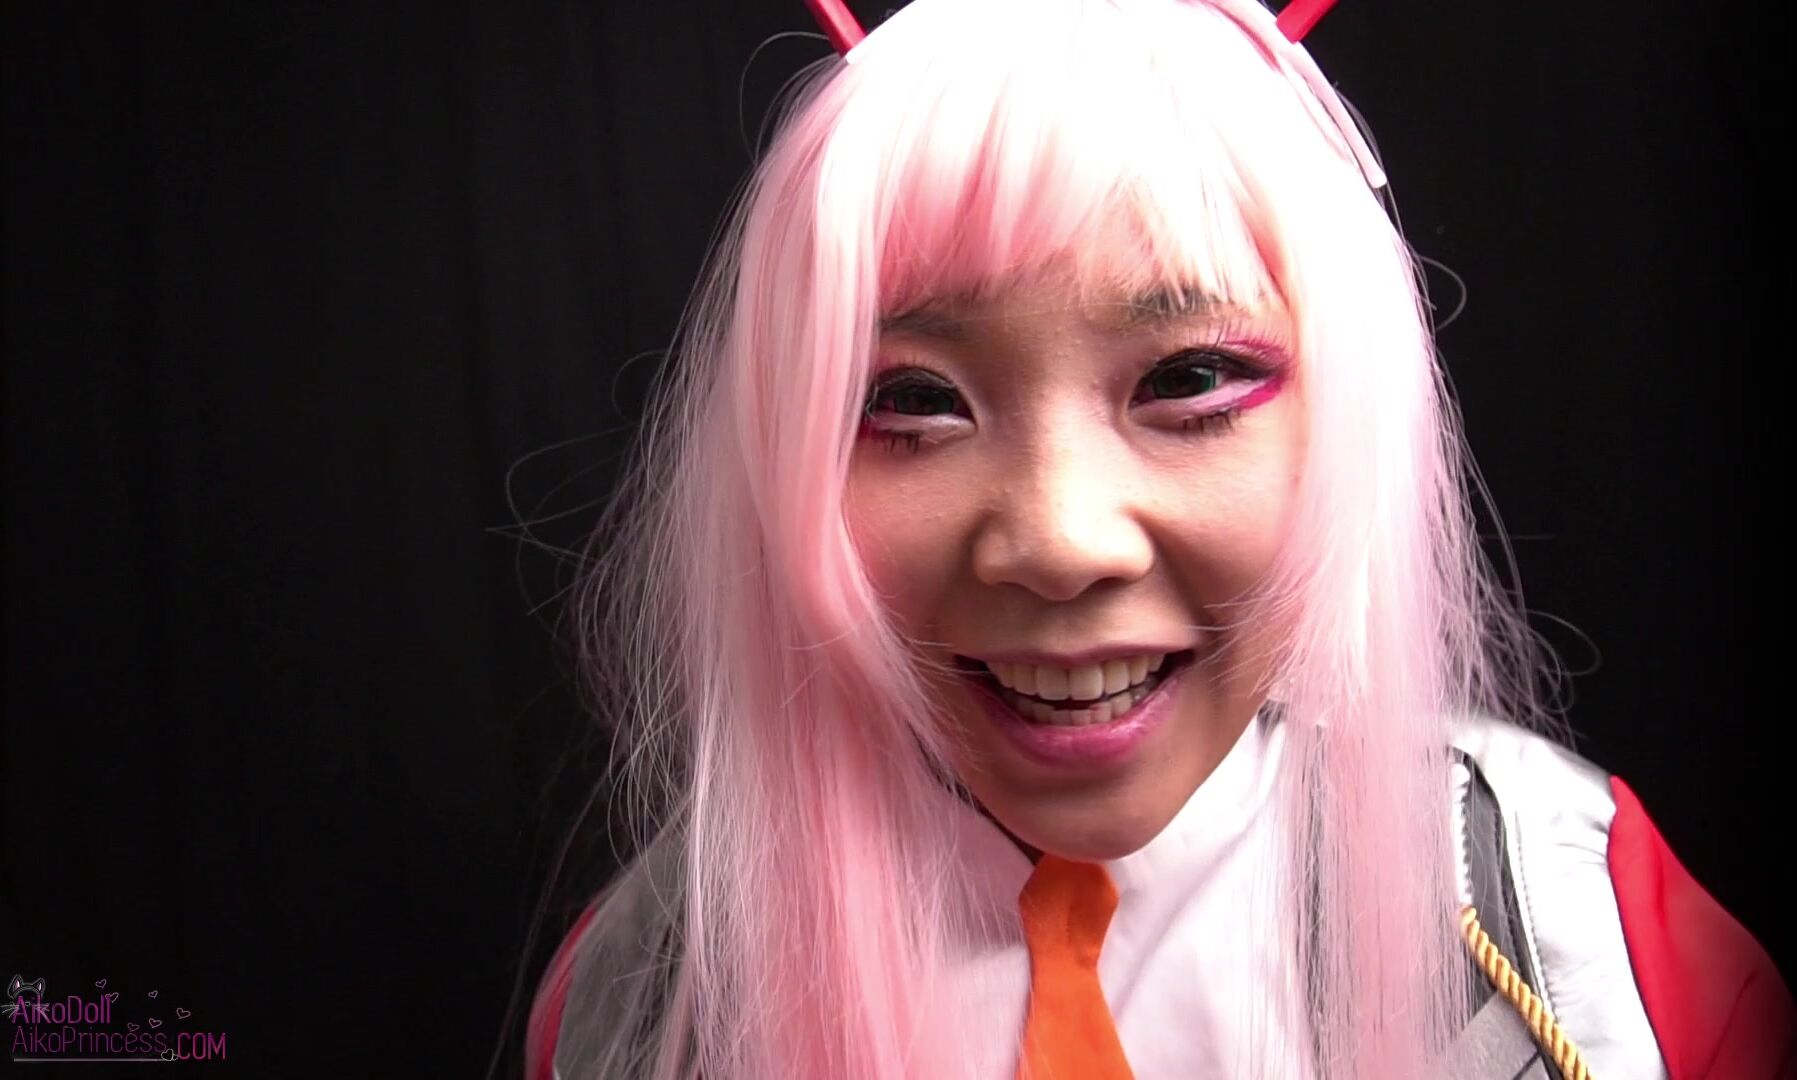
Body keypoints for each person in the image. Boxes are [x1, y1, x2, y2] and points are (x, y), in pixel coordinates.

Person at [524, 1, 1794, 1077]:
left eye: (1188, 380)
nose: (1059, 541)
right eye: (910, 400)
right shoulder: (640, 1004)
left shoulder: (1590, 939)